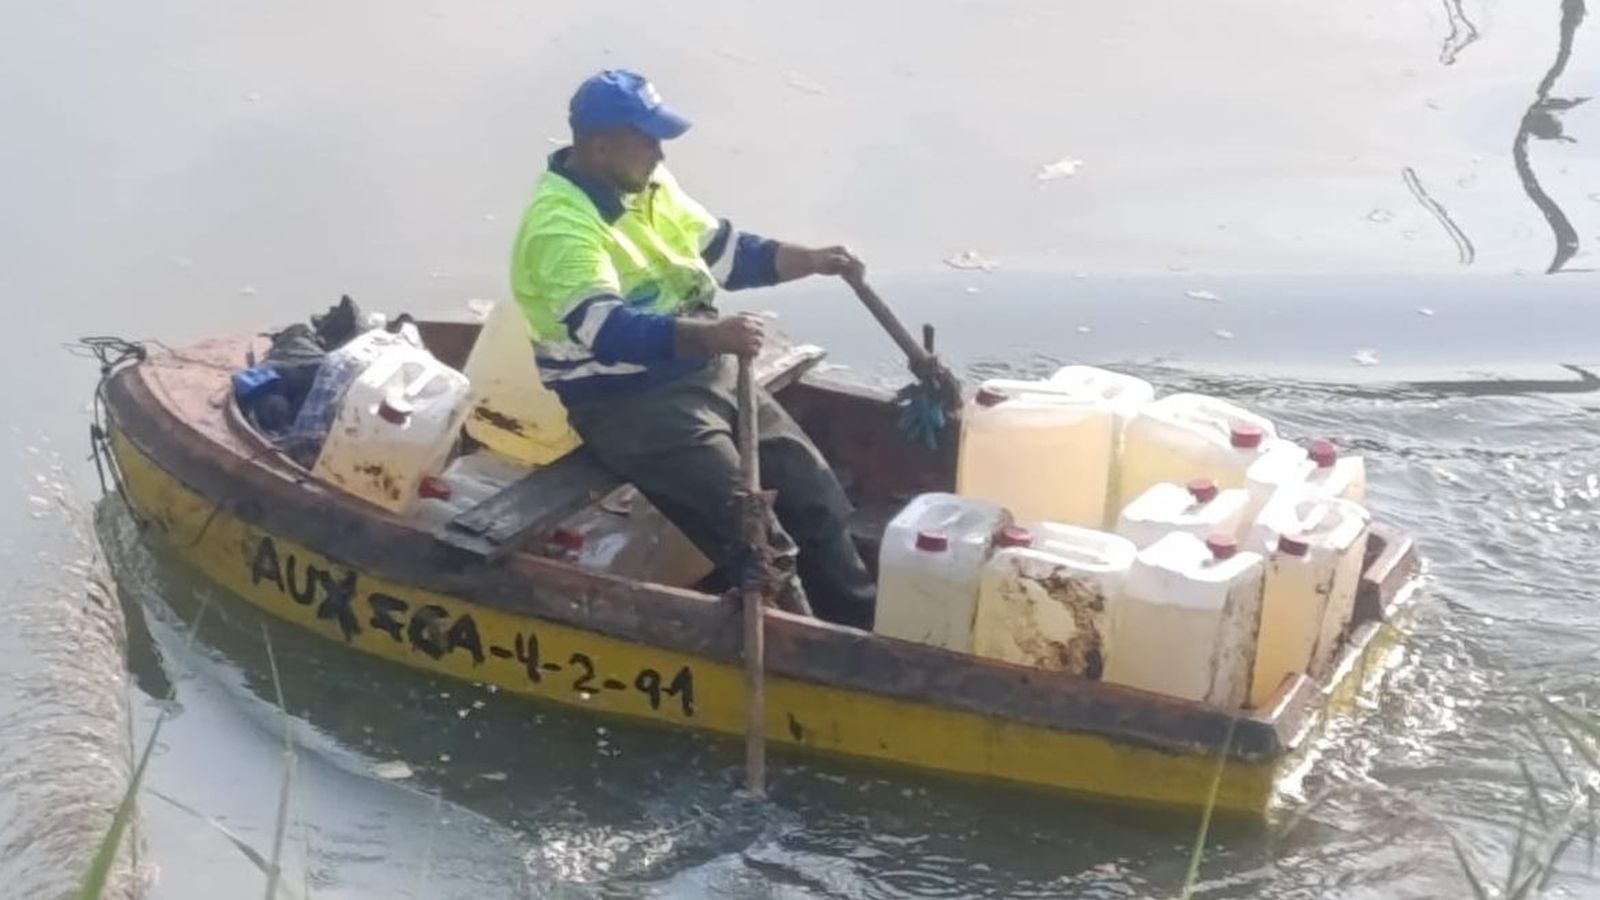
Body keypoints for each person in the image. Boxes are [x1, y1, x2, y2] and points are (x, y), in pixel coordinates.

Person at [509, 69, 876, 628]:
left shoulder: (648, 185)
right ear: (600, 146)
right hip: (631, 402)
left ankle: (858, 626)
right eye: (648, 141)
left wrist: (811, 259)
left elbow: (726, 254)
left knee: (816, 497)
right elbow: (604, 328)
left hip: (708, 369)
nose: (660, 154)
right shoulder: (561, 226)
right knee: (757, 539)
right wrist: (709, 335)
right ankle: (798, 644)